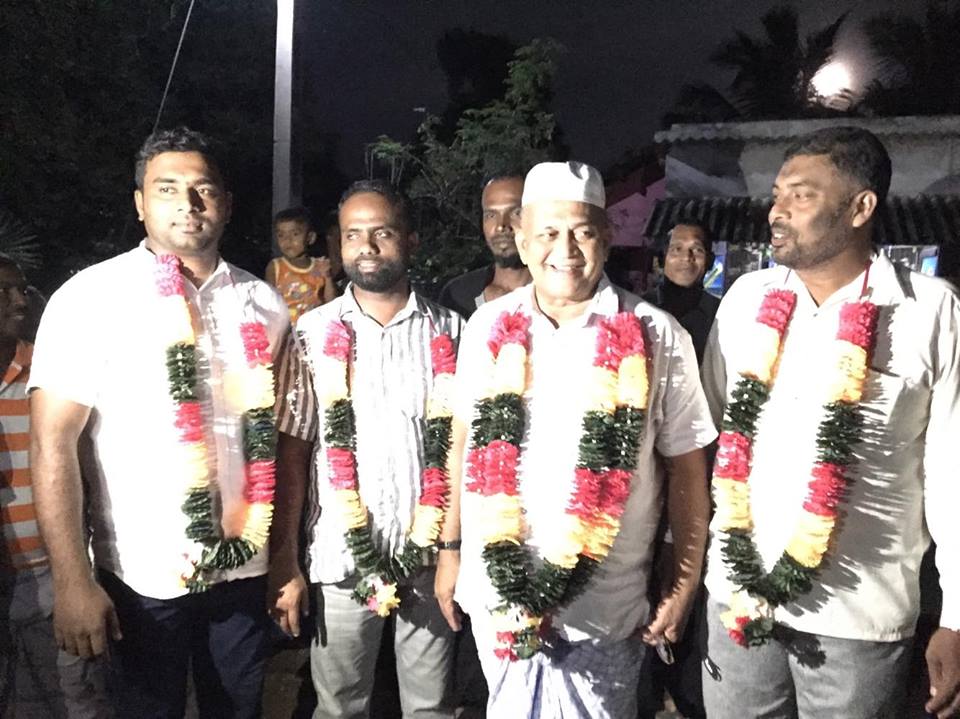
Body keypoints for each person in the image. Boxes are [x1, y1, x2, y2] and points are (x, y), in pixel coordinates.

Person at [435, 161, 716, 717]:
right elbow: (462, 439)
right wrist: (449, 551)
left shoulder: (656, 333)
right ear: (521, 240)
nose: (564, 250)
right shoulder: (488, 325)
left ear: (606, 239)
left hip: (605, 604)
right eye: (547, 233)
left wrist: (683, 585)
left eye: (582, 232)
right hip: (499, 595)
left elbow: (687, 466)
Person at [29, 127, 289, 718]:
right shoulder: (90, 296)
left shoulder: (263, 303)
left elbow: (272, 438)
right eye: (167, 189)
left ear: (226, 203)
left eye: (204, 189)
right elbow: (51, 444)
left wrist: (281, 559)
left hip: (242, 568)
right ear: (140, 203)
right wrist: (72, 581)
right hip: (141, 575)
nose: (188, 204)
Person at [700, 126, 960, 719]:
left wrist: (957, 617)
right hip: (738, 599)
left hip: (859, 617)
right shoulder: (745, 300)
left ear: (861, 207)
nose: (777, 212)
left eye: (801, 195)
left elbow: (953, 473)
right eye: (776, 195)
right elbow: (712, 434)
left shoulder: (929, 311)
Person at [270, 179, 465, 718]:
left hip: (428, 559)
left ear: (411, 239)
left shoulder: (451, 331)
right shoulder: (310, 334)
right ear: (338, 245)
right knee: (339, 707)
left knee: (430, 707)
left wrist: (452, 549)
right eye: (353, 235)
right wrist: (285, 557)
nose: (368, 247)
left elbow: (464, 451)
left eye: (383, 232)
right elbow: (293, 454)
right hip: (340, 557)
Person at [0, 256, 111, 718]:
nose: (20, 301)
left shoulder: (51, 372)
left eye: (22, 289)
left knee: (73, 702)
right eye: (4, 291)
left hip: (51, 574)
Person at [438, 174, 531, 318]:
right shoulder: (457, 296)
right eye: (491, 215)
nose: (501, 226)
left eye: (516, 213)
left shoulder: (560, 293)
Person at [645, 219, 720, 363]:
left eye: (697, 250)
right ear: (661, 258)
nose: (686, 258)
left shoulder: (721, 315)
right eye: (677, 249)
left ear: (710, 261)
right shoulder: (638, 309)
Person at [265, 207, 337, 323]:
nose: (287, 240)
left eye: (295, 234)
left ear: (310, 238)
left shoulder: (319, 266)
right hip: (287, 330)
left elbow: (331, 302)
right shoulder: (276, 267)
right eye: (281, 235)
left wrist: (327, 277)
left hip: (314, 328)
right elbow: (268, 303)